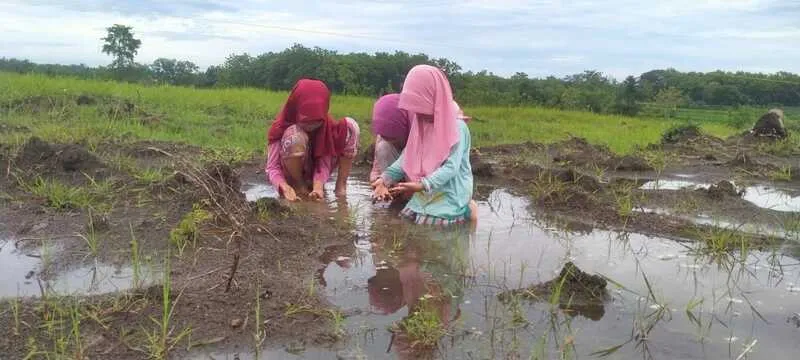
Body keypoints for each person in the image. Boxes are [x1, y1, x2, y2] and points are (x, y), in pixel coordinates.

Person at [372, 65, 477, 225]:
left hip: (450, 191)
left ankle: (468, 208)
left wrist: (422, 185)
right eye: (415, 108)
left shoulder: (457, 127)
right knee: (406, 218)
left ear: (434, 98)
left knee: (430, 226)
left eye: (421, 107)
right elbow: (407, 157)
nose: (418, 114)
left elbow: (451, 167)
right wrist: (384, 179)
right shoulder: (420, 124)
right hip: (425, 191)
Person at [265, 79, 359, 201]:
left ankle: (341, 186)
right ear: (296, 109)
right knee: (295, 136)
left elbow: (324, 160)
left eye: (317, 122)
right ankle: (298, 184)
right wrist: (284, 187)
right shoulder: (281, 126)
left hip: (316, 173)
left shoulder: (326, 126)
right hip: (291, 174)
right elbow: (272, 167)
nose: (311, 127)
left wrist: (318, 185)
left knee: (351, 126)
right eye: (306, 122)